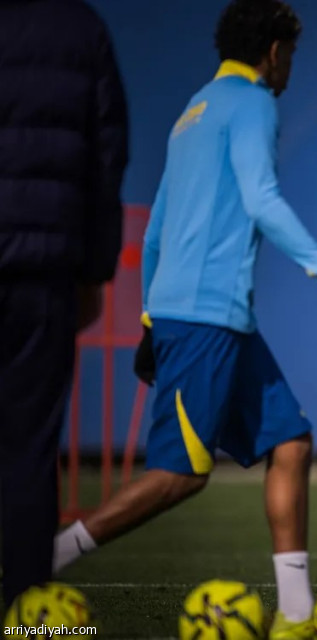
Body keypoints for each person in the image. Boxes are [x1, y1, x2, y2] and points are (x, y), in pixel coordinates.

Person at [51, 2, 317, 637]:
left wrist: (149, 318)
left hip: (206, 316)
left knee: (291, 443)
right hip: (205, 319)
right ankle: (46, 559)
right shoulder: (253, 102)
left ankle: (296, 616)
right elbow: (263, 200)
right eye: (291, 55)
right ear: (274, 51)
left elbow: (156, 232)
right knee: (180, 476)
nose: (290, 68)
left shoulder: (194, 110)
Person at [0, 0, 128, 606]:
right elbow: (108, 153)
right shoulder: (81, 28)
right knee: (30, 448)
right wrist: (94, 270)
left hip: (43, 263)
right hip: (44, 268)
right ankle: (27, 612)